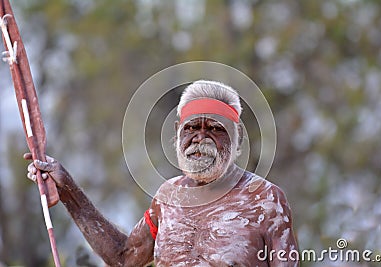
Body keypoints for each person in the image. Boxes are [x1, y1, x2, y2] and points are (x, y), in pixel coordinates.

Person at [25, 80, 298, 267]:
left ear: (237, 142)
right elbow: (124, 258)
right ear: (177, 135)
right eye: (192, 128)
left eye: (215, 129)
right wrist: (68, 191)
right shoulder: (168, 198)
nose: (200, 137)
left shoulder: (266, 200)